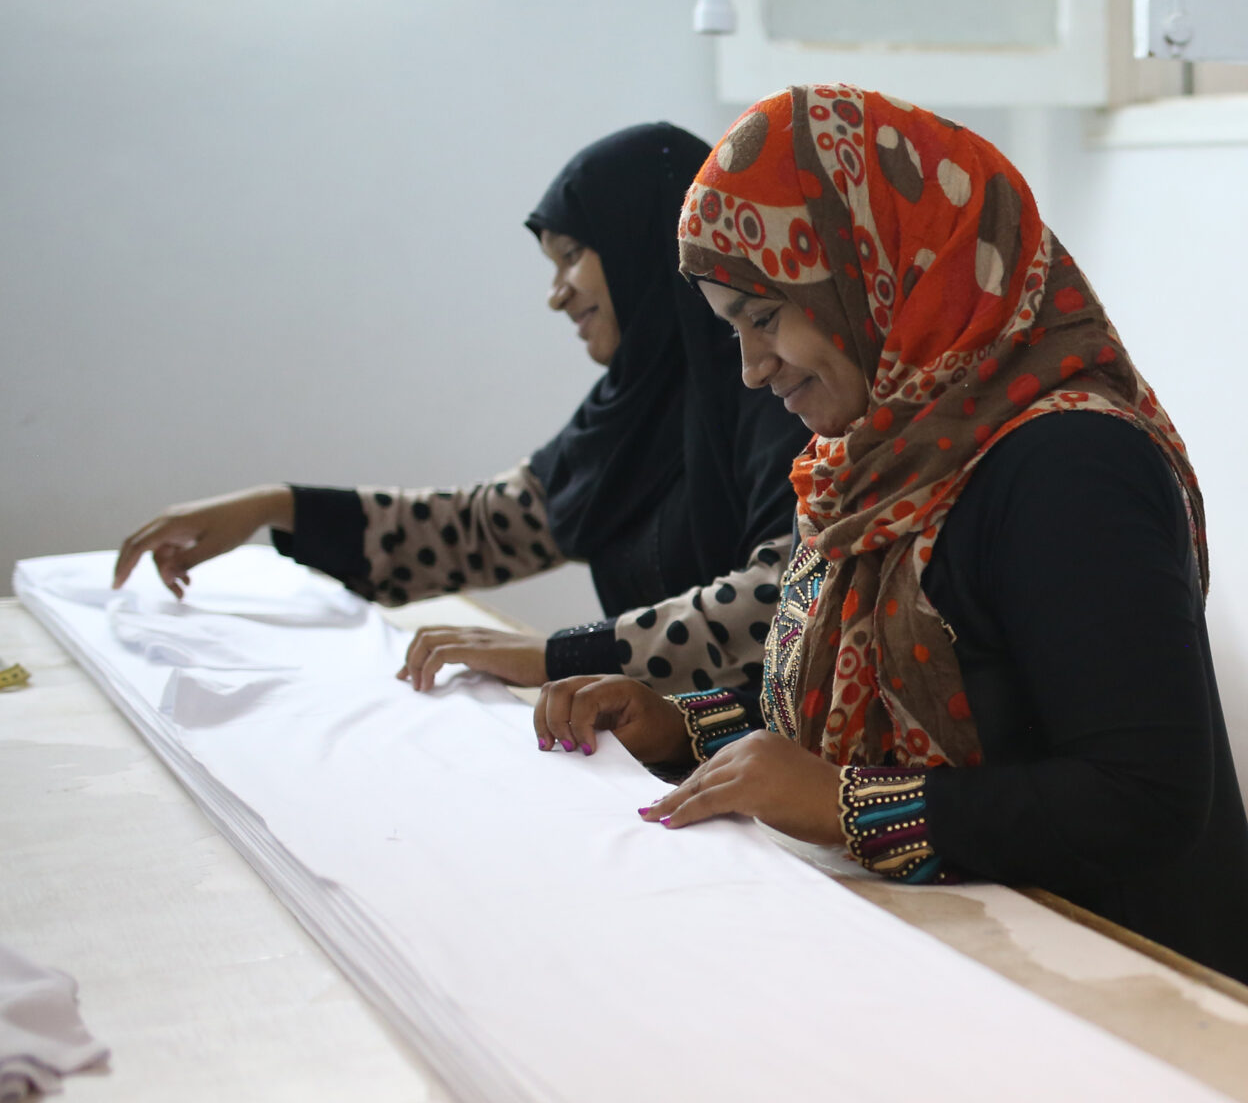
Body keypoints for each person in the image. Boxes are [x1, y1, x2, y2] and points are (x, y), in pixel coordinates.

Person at [534, 86, 1248, 1002]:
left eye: (765, 318)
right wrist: (680, 725)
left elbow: (1144, 797)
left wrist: (844, 807)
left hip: (1135, 999)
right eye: (731, 329)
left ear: (873, 268)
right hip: (980, 970)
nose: (752, 368)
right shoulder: (874, 458)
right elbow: (857, 716)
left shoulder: (1071, 464)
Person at [112, 124, 810, 696]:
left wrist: (557, 657)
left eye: (570, 255)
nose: (557, 293)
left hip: (765, 781)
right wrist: (275, 506)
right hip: (658, 758)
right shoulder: (632, 412)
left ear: (642, 242)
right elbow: (483, 527)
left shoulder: (777, 395)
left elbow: (773, 604)